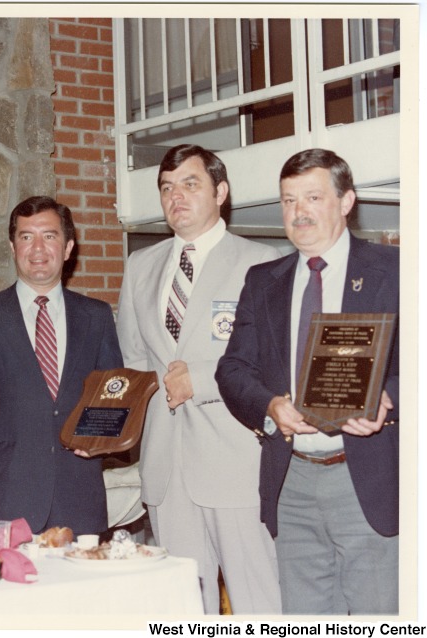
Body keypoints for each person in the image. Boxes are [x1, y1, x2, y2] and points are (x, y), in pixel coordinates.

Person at [216, 148, 399, 614]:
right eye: (288, 200)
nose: (299, 212)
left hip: (369, 479)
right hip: (292, 481)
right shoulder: (263, 281)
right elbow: (232, 369)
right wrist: (269, 406)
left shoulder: (397, 271)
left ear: (346, 201)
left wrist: (388, 398)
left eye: (313, 197)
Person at [116, 144, 282, 614]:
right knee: (185, 606)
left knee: (258, 600)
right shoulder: (141, 267)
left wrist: (203, 380)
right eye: (167, 188)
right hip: (166, 469)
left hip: (236, 465)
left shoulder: (262, 261)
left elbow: (274, 361)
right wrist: (109, 424)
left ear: (221, 192)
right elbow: (135, 363)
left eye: (190, 184)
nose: (177, 197)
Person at [0, 196, 123, 536]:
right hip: (5, 500)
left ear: (69, 246)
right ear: (12, 247)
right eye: (26, 237)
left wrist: (102, 439)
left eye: (50, 236)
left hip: (80, 498)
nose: (38, 248)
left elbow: (113, 397)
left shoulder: (97, 317)